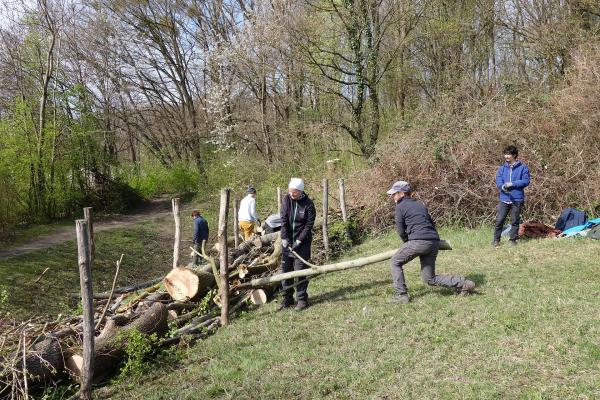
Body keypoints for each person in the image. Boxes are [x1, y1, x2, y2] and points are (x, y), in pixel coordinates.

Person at [387, 180, 475, 305]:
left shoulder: (400, 206)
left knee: (395, 262)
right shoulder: (420, 205)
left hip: (418, 242)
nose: (393, 197)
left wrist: (408, 243)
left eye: (394, 194)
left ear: (402, 193)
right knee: (429, 279)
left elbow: (400, 230)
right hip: (433, 242)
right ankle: (464, 284)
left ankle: (401, 295)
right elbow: (431, 223)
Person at [278, 178, 316, 311]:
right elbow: (283, 219)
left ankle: (302, 300)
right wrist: (284, 237)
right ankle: (287, 298)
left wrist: (299, 241)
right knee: (286, 272)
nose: (291, 194)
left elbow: (308, 225)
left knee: (299, 272)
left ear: (300, 191)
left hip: (302, 244)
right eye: (290, 191)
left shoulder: (308, 205)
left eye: (294, 192)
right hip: (287, 242)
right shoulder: (286, 200)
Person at [493, 145, 530, 247]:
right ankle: (496, 240)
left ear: (514, 155)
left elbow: (526, 181)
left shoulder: (523, 168)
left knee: (515, 221)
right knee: (499, 220)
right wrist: (502, 186)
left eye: (508, 154)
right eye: (505, 154)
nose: (506, 156)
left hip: (517, 199)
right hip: (504, 199)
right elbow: (499, 180)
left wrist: (513, 184)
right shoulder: (502, 168)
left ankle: (512, 240)